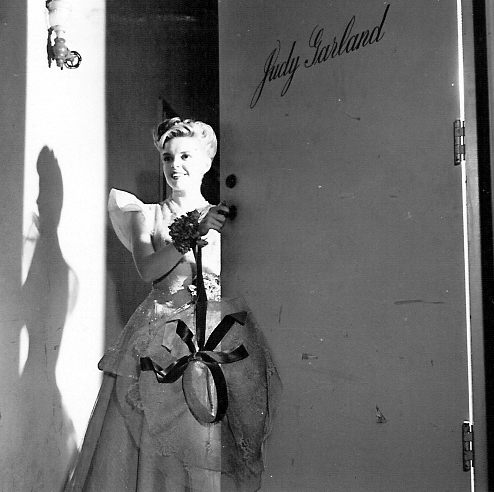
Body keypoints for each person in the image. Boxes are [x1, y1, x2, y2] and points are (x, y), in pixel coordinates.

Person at [64, 118, 281, 492]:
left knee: (208, 436)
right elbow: (148, 269)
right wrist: (194, 232)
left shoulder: (227, 216)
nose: (175, 165)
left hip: (215, 336)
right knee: (151, 437)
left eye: (185, 156)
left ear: (207, 162)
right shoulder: (143, 214)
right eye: (168, 157)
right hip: (161, 336)